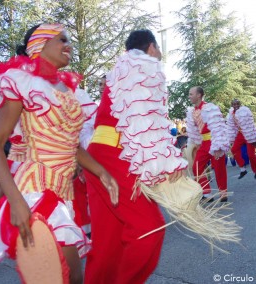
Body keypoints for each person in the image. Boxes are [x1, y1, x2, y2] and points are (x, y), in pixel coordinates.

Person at [0, 23, 118, 284]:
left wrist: (101, 171)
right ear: (39, 45)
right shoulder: (23, 82)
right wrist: (16, 202)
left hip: (62, 192)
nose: (68, 45)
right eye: (61, 39)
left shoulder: (66, 90)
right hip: (35, 189)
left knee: (69, 277)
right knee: (64, 277)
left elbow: (72, 145)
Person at [83, 29, 187, 284]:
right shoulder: (145, 63)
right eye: (159, 50)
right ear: (151, 47)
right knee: (149, 227)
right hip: (118, 155)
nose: (160, 55)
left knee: (107, 243)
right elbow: (148, 120)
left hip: (98, 154)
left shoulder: (119, 68)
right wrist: (167, 161)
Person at [186, 86, 229, 202]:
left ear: (198, 95)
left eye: (191, 94)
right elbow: (193, 131)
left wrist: (219, 144)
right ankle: (206, 193)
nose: (189, 96)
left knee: (219, 168)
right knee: (196, 166)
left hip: (215, 141)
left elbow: (219, 126)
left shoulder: (210, 108)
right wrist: (194, 144)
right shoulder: (192, 112)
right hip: (204, 143)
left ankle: (223, 193)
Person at [226, 99, 256, 179]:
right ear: (232, 105)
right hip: (240, 134)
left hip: (249, 134)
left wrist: (253, 138)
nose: (236, 106)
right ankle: (242, 169)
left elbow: (251, 124)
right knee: (234, 150)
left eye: (237, 104)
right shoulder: (231, 113)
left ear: (240, 104)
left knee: (251, 154)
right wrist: (232, 137)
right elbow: (232, 126)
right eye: (234, 104)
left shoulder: (245, 111)